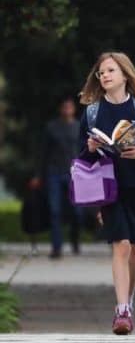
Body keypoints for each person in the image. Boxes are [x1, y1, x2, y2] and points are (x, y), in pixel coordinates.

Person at [78, 51, 135, 335]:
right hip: (109, 189)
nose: (104, 76)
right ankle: (122, 311)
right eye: (101, 72)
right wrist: (91, 150)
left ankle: (126, 299)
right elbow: (81, 157)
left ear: (125, 75)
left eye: (110, 71)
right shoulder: (92, 112)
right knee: (122, 244)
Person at [30, 97, 84, 259]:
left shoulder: (79, 127)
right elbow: (43, 153)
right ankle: (57, 247)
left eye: (70, 107)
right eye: (64, 107)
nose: (67, 110)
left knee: (77, 211)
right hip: (54, 172)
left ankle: (75, 238)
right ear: (61, 109)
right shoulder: (51, 127)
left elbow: (85, 152)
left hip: (74, 173)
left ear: (73, 109)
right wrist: (38, 175)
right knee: (55, 210)